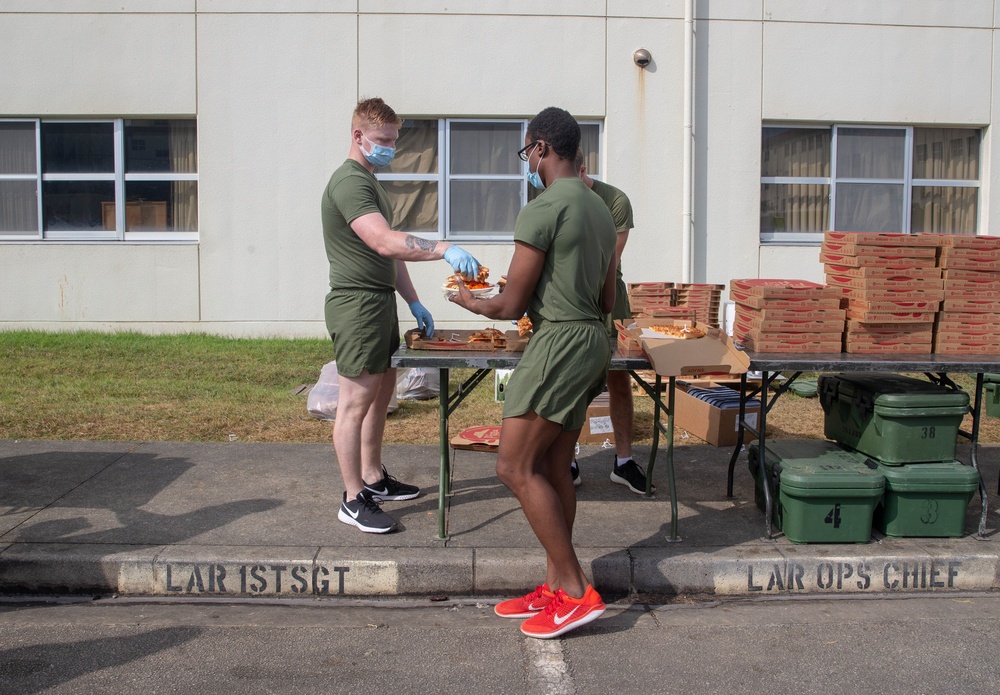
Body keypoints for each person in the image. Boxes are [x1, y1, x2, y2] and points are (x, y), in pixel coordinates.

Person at [449, 107, 616, 639]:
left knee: (513, 466)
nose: (528, 163)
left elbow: (510, 304)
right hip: (592, 338)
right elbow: (610, 297)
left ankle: (573, 589)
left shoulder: (541, 208)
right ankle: (554, 585)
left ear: (542, 148)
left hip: (558, 341)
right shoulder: (601, 209)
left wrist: (468, 299)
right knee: (553, 463)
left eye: (528, 153)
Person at [322, 97, 481, 534]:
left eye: (394, 140)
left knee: (382, 390)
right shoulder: (350, 182)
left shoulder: (372, 183)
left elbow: (394, 254)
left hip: (378, 302)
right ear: (358, 136)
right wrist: (444, 247)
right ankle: (352, 498)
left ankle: (373, 477)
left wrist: (412, 301)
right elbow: (384, 242)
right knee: (354, 401)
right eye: (383, 140)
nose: (391, 148)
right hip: (356, 303)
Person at [571, 149, 651, 495]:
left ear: (582, 169)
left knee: (619, 379)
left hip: (610, 297)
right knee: (572, 380)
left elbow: (609, 258)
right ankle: (567, 460)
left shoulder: (615, 200)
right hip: (570, 297)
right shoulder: (551, 195)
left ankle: (623, 461)